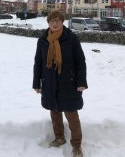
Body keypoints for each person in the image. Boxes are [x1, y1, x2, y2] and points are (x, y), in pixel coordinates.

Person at [33, 10, 87, 157]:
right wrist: (36, 83)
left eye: (57, 21)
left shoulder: (71, 38)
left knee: (71, 113)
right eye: (52, 21)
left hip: (69, 82)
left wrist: (81, 82)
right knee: (55, 112)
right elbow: (38, 62)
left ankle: (76, 145)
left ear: (62, 22)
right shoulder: (43, 39)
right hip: (50, 82)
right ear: (48, 23)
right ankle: (59, 137)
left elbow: (80, 61)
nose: (54, 24)